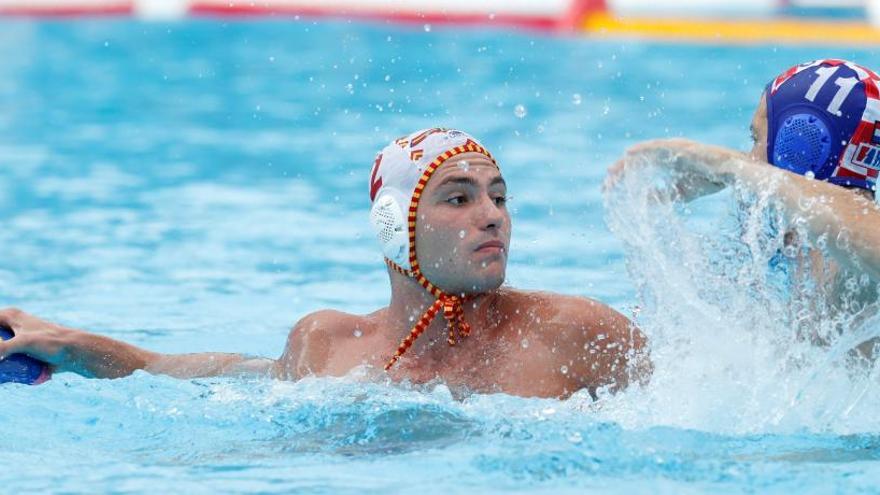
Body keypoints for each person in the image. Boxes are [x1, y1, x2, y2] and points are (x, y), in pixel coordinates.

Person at [0, 128, 649, 398]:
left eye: (500, 197)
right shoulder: (328, 342)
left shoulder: (574, 331)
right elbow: (197, 374)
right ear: (395, 226)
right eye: (460, 197)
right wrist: (76, 346)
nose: (492, 215)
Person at [606, 59, 880, 345]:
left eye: (756, 138)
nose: (748, 157)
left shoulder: (853, 272)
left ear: (798, 148)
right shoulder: (805, 253)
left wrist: (727, 166)